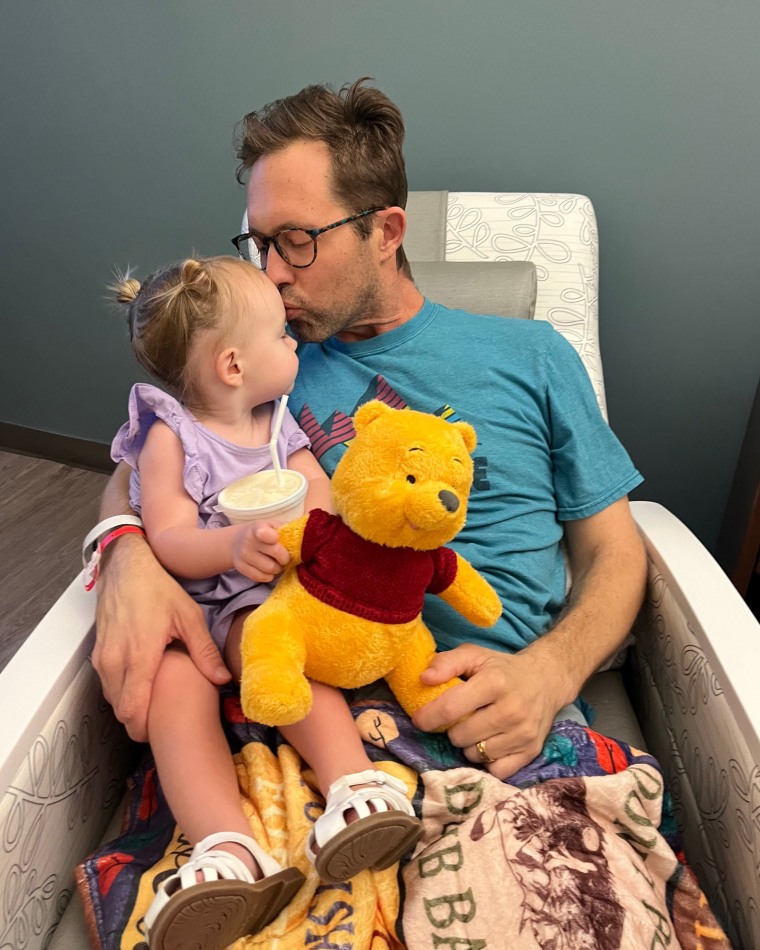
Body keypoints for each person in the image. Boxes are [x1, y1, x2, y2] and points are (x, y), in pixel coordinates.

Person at [92, 78, 647, 788]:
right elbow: (149, 457)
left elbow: (616, 550)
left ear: (384, 232)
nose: (272, 273)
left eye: (295, 242)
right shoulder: (262, 363)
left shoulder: (532, 357)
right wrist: (123, 552)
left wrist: (550, 671)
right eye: (259, 243)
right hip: (297, 707)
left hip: (479, 723)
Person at [106, 255, 421, 949]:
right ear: (231, 367)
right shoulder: (171, 439)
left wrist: (321, 530)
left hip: (277, 601)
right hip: (202, 603)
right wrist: (232, 546)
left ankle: (352, 790)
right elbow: (169, 534)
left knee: (281, 640)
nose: (295, 342)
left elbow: (318, 490)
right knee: (172, 686)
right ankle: (226, 849)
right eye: (281, 334)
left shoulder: (278, 423)